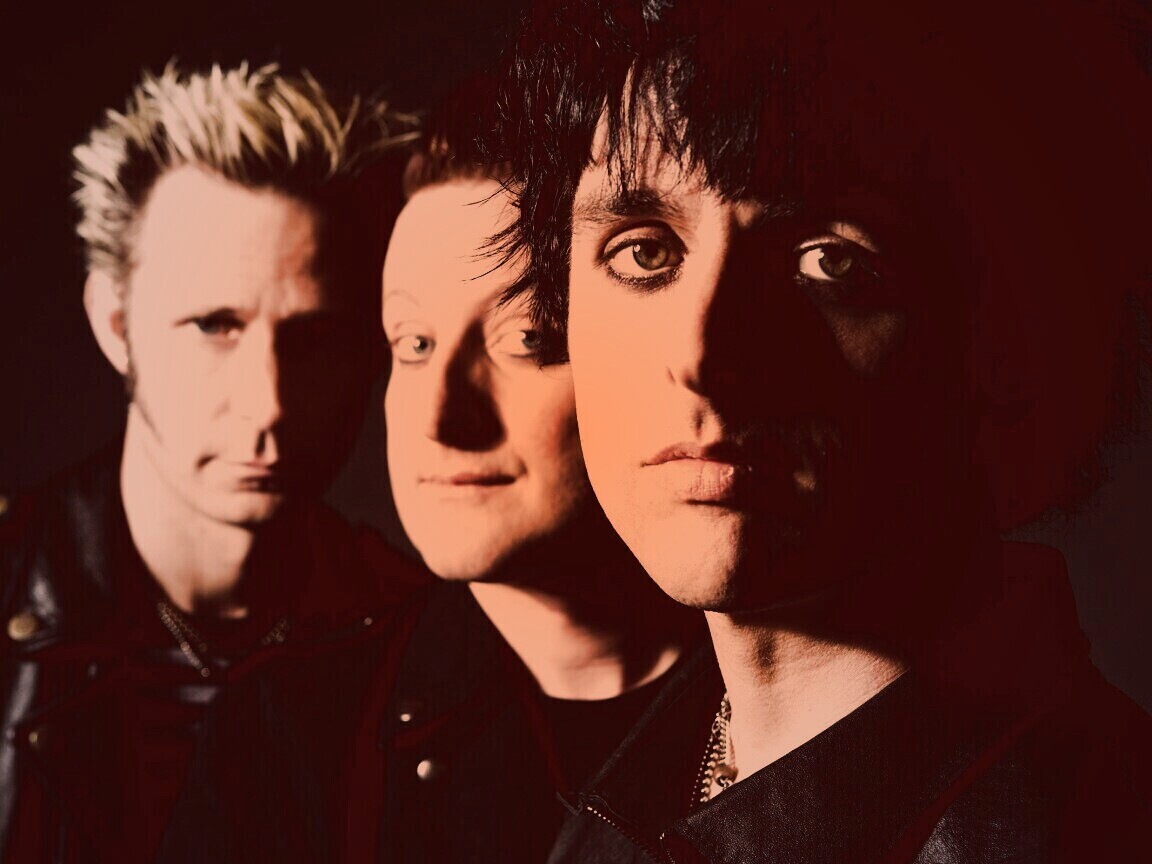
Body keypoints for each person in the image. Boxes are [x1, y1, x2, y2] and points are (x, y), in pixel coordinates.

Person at [484, 0, 1152, 860]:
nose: (702, 355)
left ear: (1006, 345)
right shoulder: (631, 788)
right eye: (646, 252)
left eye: (832, 260)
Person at [159, 103, 698, 863]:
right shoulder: (282, 739)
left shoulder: (814, 714)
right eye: (413, 343)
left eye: (526, 339)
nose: (441, 417)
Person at [0, 62, 421, 864]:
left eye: (315, 338)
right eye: (213, 326)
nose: (268, 405)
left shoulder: (427, 642)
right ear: (116, 324)